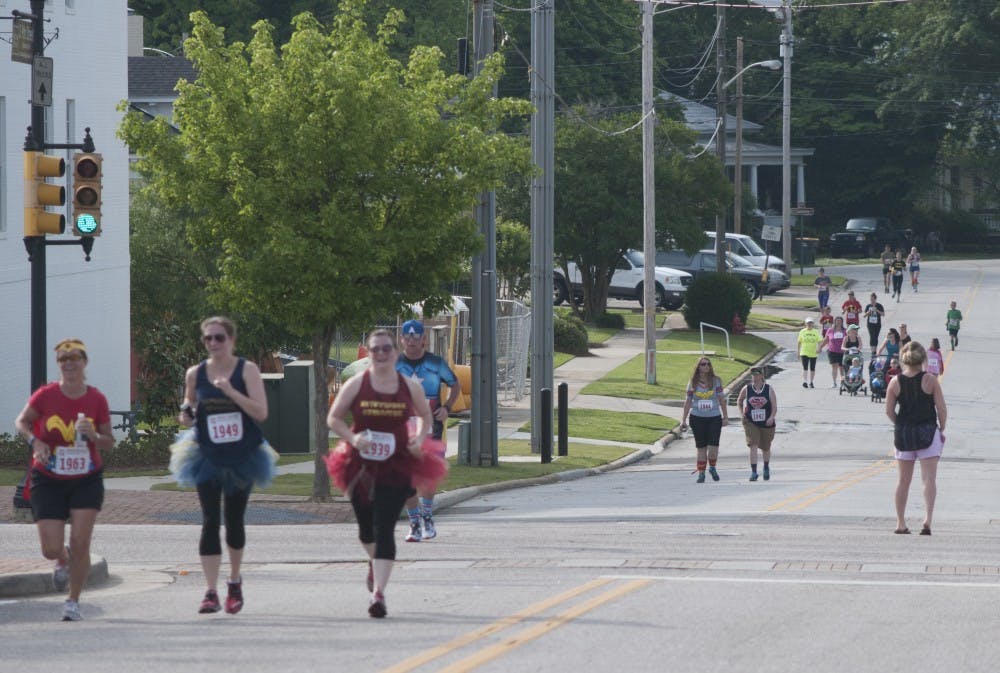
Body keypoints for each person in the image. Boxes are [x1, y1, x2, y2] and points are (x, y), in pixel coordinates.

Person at [325, 330, 446, 618]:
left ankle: (378, 594)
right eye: (375, 349)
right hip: (360, 464)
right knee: (367, 530)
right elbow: (334, 418)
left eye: (386, 349)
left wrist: (418, 439)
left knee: (385, 528)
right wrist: (353, 440)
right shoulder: (357, 384)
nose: (381, 354)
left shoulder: (408, 386)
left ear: (395, 353)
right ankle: (373, 560)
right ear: (368, 353)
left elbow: (425, 415)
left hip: (398, 463)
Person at [169, 317, 277, 616]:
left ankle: (234, 580)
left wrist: (231, 392)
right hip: (206, 455)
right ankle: (210, 591)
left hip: (243, 456)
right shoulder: (196, 373)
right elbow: (186, 409)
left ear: (231, 340)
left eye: (219, 338)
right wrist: (187, 414)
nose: (213, 344)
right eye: (208, 339)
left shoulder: (247, 370)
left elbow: (261, 412)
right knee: (208, 520)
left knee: (234, 520)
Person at [14, 339, 113, 622]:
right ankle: (62, 558)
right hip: (48, 476)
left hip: (86, 477)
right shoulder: (45, 396)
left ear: (84, 362)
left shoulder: (96, 399)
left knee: (81, 542)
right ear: (59, 365)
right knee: (50, 548)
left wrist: (93, 435)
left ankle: (73, 601)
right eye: (63, 359)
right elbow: (21, 422)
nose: (69, 363)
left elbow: (109, 443)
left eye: (74, 358)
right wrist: (36, 442)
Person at [395, 319, 460, 542]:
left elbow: (455, 383)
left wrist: (447, 407)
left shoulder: (436, 363)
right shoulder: (395, 364)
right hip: (404, 428)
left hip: (432, 427)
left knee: (428, 476)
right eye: (407, 336)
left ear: (424, 339)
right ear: (401, 339)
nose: (411, 340)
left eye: (416, 336)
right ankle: (414, 523)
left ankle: (427, 517)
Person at [885, 342, 947, 535]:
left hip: (904, 434)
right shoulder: (930, 380)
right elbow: (941, 409)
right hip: (927, 430)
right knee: (929, 478)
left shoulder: (895, 382)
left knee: (903, 480)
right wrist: (941, 427)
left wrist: (900, 423)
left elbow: (888, 411)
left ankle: (900, 522)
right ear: (923, 359)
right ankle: (927, 519)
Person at [678, 357, 729, 483]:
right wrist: (683, 420)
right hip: (697, 418)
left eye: (708, 364)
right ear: (698, 367)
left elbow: (722, 399)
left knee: (713, 447)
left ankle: (712, 467)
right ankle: (701, 473)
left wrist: (725, 417)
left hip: (714, 418)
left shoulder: (716, 381)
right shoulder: (692, 382)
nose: (706, 366)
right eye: (703, 364)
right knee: (701, 447)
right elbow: (688, 401)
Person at [736, 366, 777, 482]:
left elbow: (774, 407)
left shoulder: (769, 389)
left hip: (766, 422)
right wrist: (741, 414)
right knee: (752, 445)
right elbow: (739, 401)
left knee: (766, 447)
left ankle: (766, 467)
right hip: (750, 421)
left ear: (762, 376)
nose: (754, 377)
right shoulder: (747, 388)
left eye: (757, 375)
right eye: (752, 375)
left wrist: (771, 417)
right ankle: (754, 472)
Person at [820, 316, 847, 387]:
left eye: (840, 321)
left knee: (842, 367)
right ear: (835, 322)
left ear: (842, 322)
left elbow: (848, 340)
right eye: (837, 321)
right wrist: (820, 347)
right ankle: (834, 382)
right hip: (832, 351)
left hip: (842, 351)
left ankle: (842, 381)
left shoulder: (845, 331)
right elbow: (826, 340)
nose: (838, 322)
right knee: (834, 367)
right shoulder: (830, 330)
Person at [797, 317, 823, 388]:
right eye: (808, 323)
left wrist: (819, 348)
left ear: (813, 324)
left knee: (812, 368)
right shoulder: (802, 331)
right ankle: (805, 381)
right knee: (805, 367)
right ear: (806, 324)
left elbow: (820, 341)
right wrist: (798, 352)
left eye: (811, 323)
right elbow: (799, 342)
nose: (809, 324)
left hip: (813, 352)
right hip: (804, 352)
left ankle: (811, 382)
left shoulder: (815, 332)